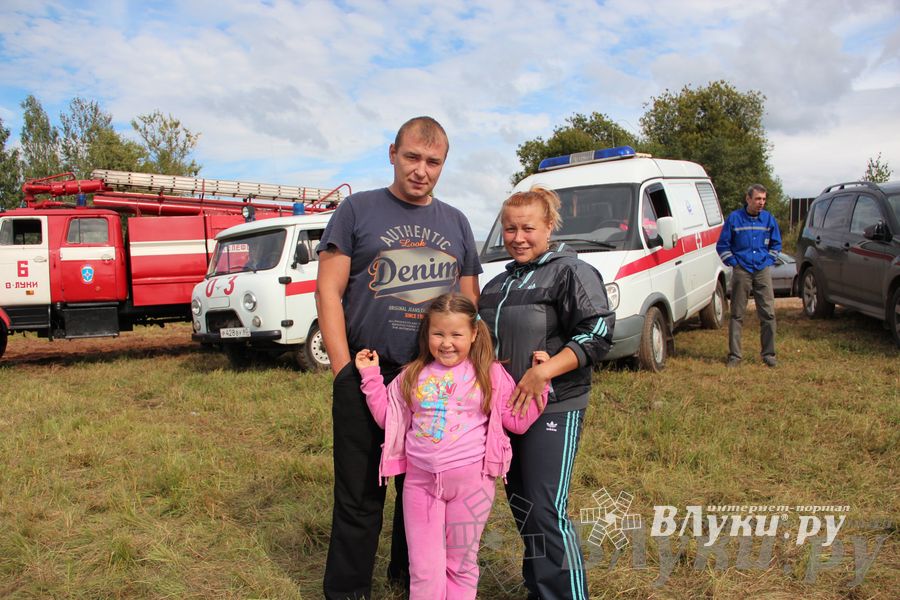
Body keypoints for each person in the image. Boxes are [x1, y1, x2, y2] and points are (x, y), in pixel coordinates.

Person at [316, 116, 482, 600]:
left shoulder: (456, 222)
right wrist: (346, 370)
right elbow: (329, 292)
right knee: (360, 490)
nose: (421, 170)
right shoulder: (356, 211)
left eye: (433, 162)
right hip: (368, 373)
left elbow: (470, 307)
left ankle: (411, 576)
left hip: (430, 380)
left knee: (424, 487)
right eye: (412, 157)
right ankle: (349, 590)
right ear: (393, 153)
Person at [355, 293, 548, 599]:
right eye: (438, 334)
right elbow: (388, 418)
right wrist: (371, 377)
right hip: (420, 485)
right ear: (427, 334)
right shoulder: (412, 374)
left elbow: (516, 421)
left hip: (473, 485)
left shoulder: (490, 373)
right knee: (423, 567)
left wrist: (542, 382)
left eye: (456, 334)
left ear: (473, 334)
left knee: (460, 564)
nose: (447, 343)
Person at [479, 186, 615, 600]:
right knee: (524, 509)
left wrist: (545, 373)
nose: (518, 237)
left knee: (545, 508)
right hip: (506, 412)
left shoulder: (571, 271)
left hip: (555, 405)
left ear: (549, 227)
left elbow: (598, 333)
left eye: (528, 228)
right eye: (509, 229)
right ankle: (541, 589)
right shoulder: (497, 284)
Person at [716, 184, 782, 368]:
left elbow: (776, 244)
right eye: (757, 199)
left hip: (762, 270)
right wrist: (734, 263)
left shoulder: (769, 219)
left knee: (768, 314)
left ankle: (769, 354)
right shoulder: (734, 219)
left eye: (763, 199)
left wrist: (769, 260)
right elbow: (722, 246)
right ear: (748, 199)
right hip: (742, 270)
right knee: (737, 314)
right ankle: (735, 356)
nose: (761, 203)